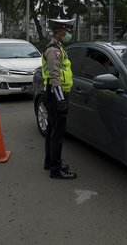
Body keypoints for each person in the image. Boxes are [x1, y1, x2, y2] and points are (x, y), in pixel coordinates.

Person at [41, 18, 77, 180]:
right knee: (57, 133)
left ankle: (50, 162)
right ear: (59, 31)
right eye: (67, 30)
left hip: (54, 93)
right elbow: (55, 76)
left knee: (51, 130)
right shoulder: (53, 50)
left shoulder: (58, 48)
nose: (69, 33)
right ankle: (56, 169)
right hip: (56, 93)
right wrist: (61, 100)